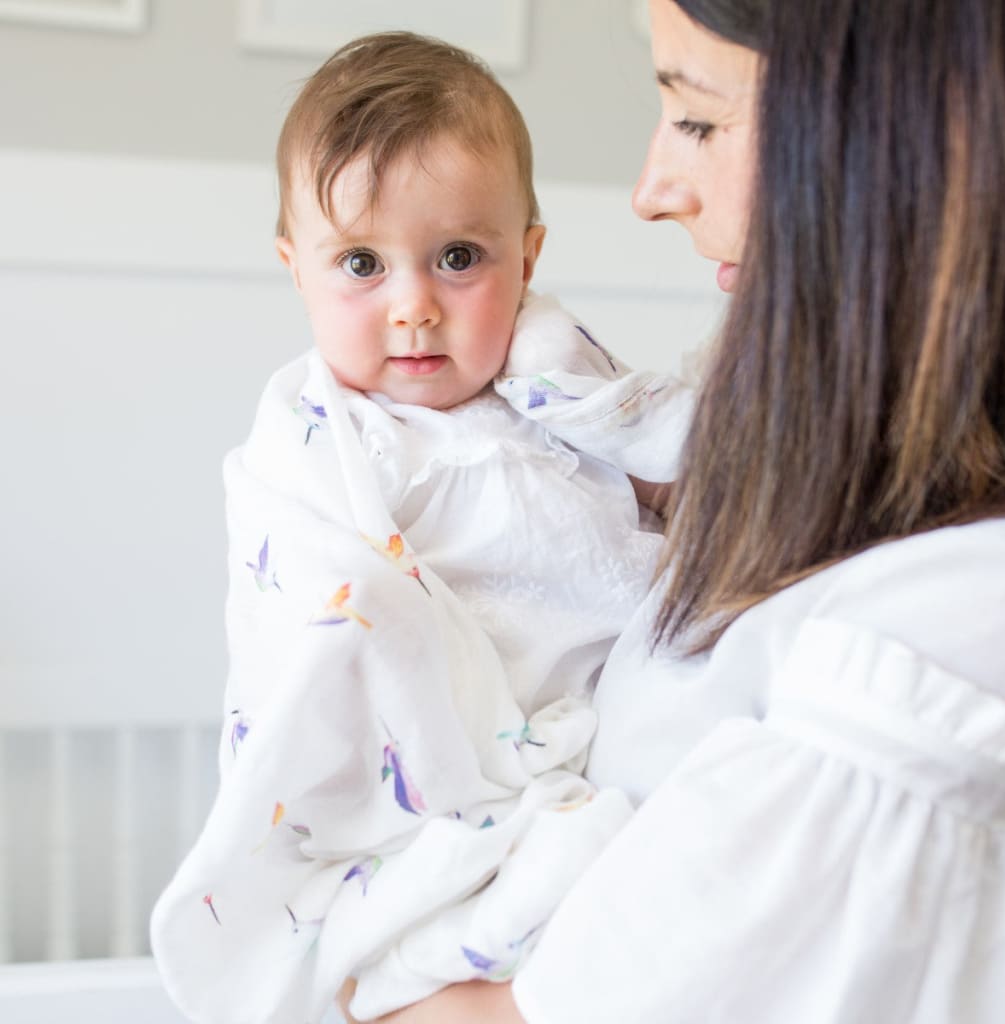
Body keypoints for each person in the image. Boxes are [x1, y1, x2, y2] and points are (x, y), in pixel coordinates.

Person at [358, 0, 1005, 1021]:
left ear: (925, 140)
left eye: (699, 120)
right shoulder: (813, 473)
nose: (652, 191)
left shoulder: (939, 639)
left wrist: (343, 967)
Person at [149, 30, 692, 1024]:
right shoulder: (318, 440)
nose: (413, 307)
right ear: (296, 267)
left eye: (458, 258)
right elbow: (317, 610)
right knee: (445, 942)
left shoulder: (559, 385)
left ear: (527, 257)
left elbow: (673, 477)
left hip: (603, 740)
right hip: (433, 790)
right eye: (361, 262)